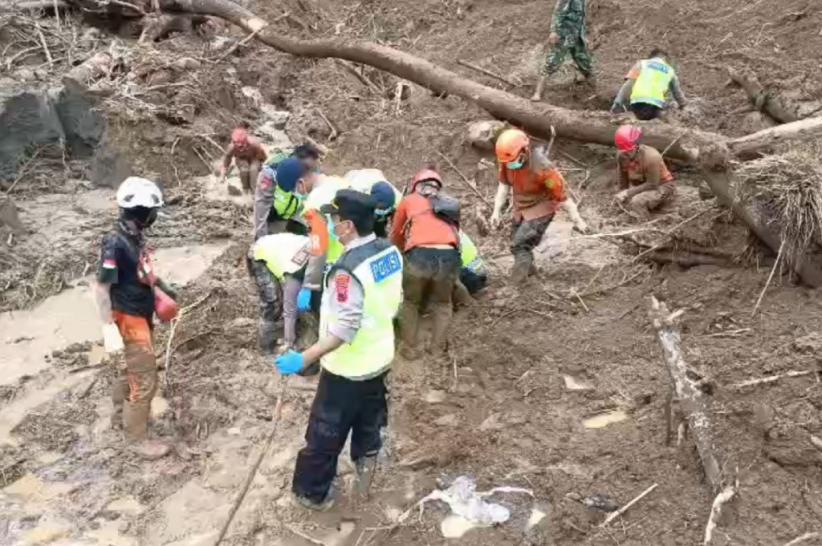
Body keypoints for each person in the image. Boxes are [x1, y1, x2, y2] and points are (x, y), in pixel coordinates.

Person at [274, 189, 403, 511]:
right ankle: (365, 469)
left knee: (324, 431)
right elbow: (395, 301)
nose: (330, 225)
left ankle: (311, 494)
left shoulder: (347, 270)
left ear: (347, 226)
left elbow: (344, 329)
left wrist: (303, 358)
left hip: (348, 367)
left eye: (334, 219)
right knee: (369, 419)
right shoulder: (389, 251)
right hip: (380, 357)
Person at [94, 177, 176, 460]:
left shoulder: (133, 236)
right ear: (142, 212)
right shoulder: (115, 243)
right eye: (152, 211)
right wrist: (108, 328)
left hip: (140, 312)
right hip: (129, 318)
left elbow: (142, 271)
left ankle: (122, 417)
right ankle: (136, 438)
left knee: (130, 369)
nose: (154, 216)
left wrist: (162, 288)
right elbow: (101, 287)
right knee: (145, 378)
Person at [491, 129, 588, 283]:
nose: (510, 165)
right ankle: (530, 275)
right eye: (507, 162)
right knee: (516, 242)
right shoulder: (506, 161)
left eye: (512, 161)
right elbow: (503, 187)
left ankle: (517, 283)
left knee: (520, 244)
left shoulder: (543, 169)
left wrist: (577, 220)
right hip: (521, 208)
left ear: (524, 150)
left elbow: (562, 197)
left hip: (541, 208)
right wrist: (496, 211)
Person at [390, 169, 461, 356]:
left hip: (419, 255)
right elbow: (455, 234)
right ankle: (437, 349)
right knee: (443, 304)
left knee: (410, 302)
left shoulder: (409, 200)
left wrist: (398, 251)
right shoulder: (451, 204)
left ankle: (410, 347)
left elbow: (396, 233)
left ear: (416, 186)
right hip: (449, 256)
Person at [248, 232, 312, 354]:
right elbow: (290, 309)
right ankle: (266, 346)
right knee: (273, 304)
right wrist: (289, 343)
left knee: (289, 299)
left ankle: (288, 332)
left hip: (283, 249)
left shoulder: (322, 256)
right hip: (260, 253)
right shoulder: (295, 272)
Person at [254, 144, 322, 240]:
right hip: (277, 209)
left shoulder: (313, 168)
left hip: (298, 208)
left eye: (311, 169)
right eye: (306, 168)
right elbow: (261, 207)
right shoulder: (270, 173)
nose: (309, 173)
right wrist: (261, 238)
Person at [532, 0, 594, 101]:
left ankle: (590, 89)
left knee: (585, 63)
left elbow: (581, 18)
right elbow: (558, 12)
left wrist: (583, 36)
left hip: (577, 37)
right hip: (563, 36)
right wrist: (554, 31)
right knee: (551, 63)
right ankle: (537, 93)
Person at [614, 125, 675, 219]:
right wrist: (622, 193)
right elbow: (623, 177)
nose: (624, 154)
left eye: (628, 151)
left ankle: (644, 223)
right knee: (623, 200)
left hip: (661, 185)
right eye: (622, 151)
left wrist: (628, 193)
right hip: (642, 183)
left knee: (637, 202)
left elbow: (652, 184)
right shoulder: (622, 154)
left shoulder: (651, 157)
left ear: (636, 146)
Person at [611, 49, 687, 120]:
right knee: (671, 104)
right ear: (665, 58)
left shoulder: (641, 64)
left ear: (651, 57)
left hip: (637, 104)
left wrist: (617, 103)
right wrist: (683, 105)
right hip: (655, 106)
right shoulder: (670, 70)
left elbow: (628, 86)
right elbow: (677, 92)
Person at [252, 157, 306, 240]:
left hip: (295, 209)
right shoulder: (267, 177)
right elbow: (261, 209)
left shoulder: (311, 174)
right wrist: (261, 239)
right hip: (276, 212)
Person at [220, 127, 267, 193]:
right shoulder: (232, 147)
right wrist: (223, 175)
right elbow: (226, 161)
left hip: (254, 158)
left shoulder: (254, 144)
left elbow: (263, 157)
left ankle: (254, 191)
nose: (240, 147)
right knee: (244, 170)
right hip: (241, 159)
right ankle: (245, 188)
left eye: (242, 145)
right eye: (238, 146)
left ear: (246, 141)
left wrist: (261, 166)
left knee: (253, 170)